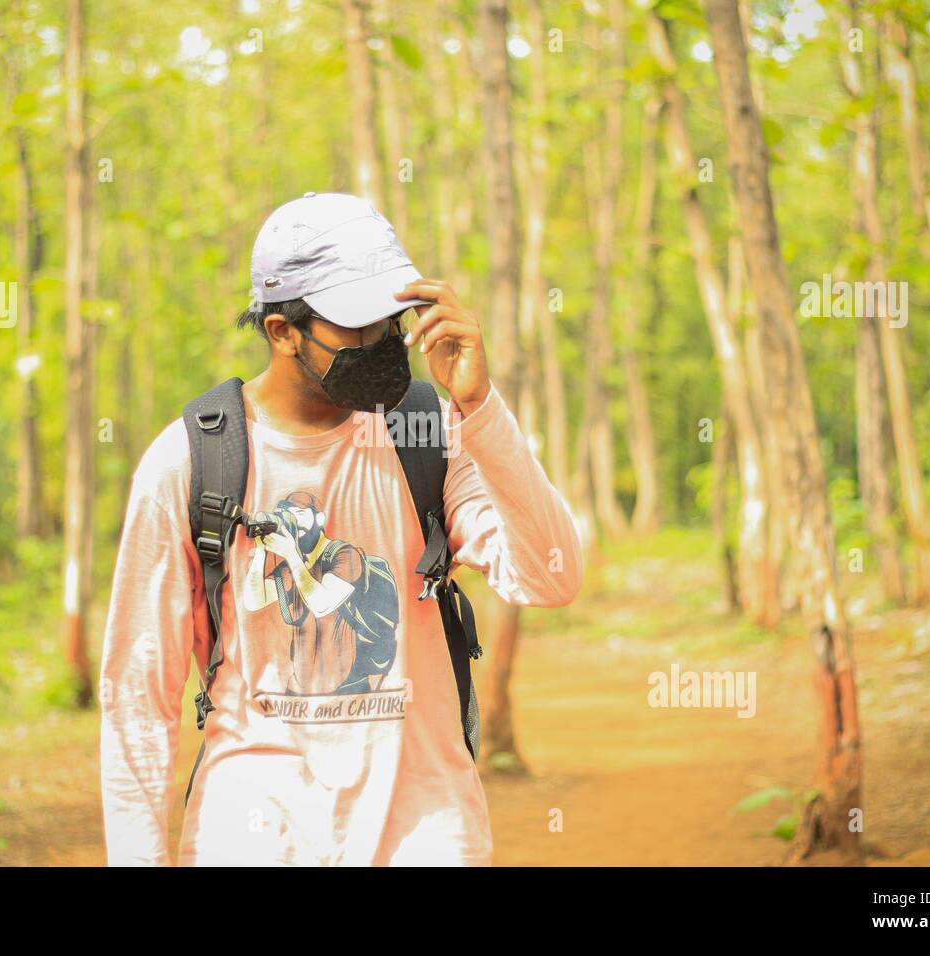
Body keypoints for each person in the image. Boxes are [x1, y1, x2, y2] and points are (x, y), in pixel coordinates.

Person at [99, 191, 583, 866]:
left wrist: (478, 405)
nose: (384, 341)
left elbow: (552, 576)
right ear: (281, 330)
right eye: (356, 326)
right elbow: (137, 696)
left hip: (425, 834)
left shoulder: (429, 434)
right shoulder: (190, 462)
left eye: (391, 319)